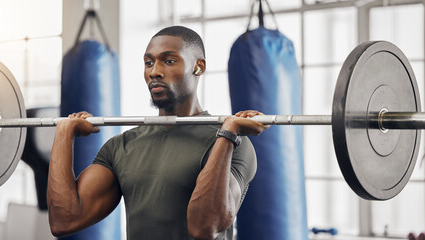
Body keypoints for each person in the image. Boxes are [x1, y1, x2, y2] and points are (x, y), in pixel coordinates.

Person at [47, 26, 269, 240]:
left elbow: (205, 227)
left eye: (169, 61)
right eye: (148, 63)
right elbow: (63, 221)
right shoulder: (121, 146)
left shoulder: (232, 143)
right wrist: (64, 133)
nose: (154, 72)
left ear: (198, 67)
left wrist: (229, 133)